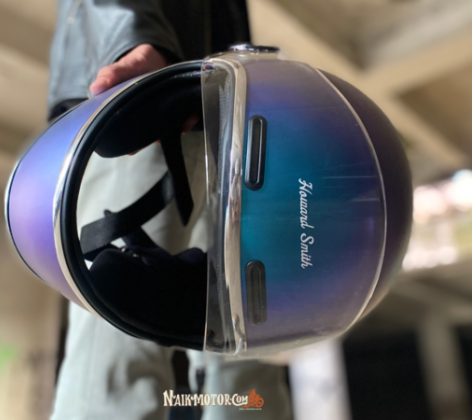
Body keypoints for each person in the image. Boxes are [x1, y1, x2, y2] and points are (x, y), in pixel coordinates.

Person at [47, 1, 293, 419]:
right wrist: (135, 37)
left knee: (244, 333)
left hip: (213, 105)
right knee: (121, 342)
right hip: (144, 103)